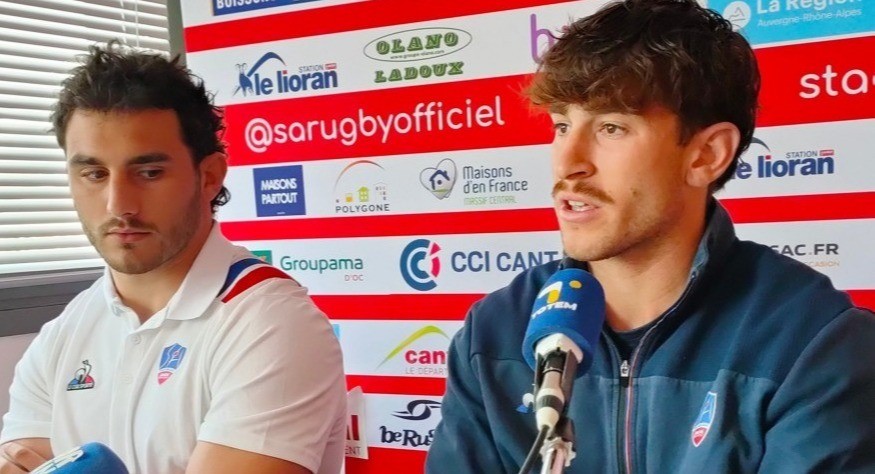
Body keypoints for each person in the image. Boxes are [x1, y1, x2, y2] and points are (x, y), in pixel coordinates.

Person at [427, 0, 875, 472]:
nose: (567, 163)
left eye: (611, 127)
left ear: (706, 155)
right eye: (561, 125)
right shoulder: (495, 331)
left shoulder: (812, 339)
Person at [0, 42, 346, 474]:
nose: (117, 204)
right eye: (94, 174)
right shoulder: (64, 332)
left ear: (209, 176)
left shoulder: (271, 322)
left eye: (149, 173)